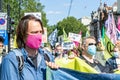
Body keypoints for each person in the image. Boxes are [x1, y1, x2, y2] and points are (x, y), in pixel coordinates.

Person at [0, 15, 59, 80]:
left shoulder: (47, 56)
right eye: (35, 32)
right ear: (23, 35)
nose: (39, 36)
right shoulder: (12, 60)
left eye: (40, 32)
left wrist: (55, 73)